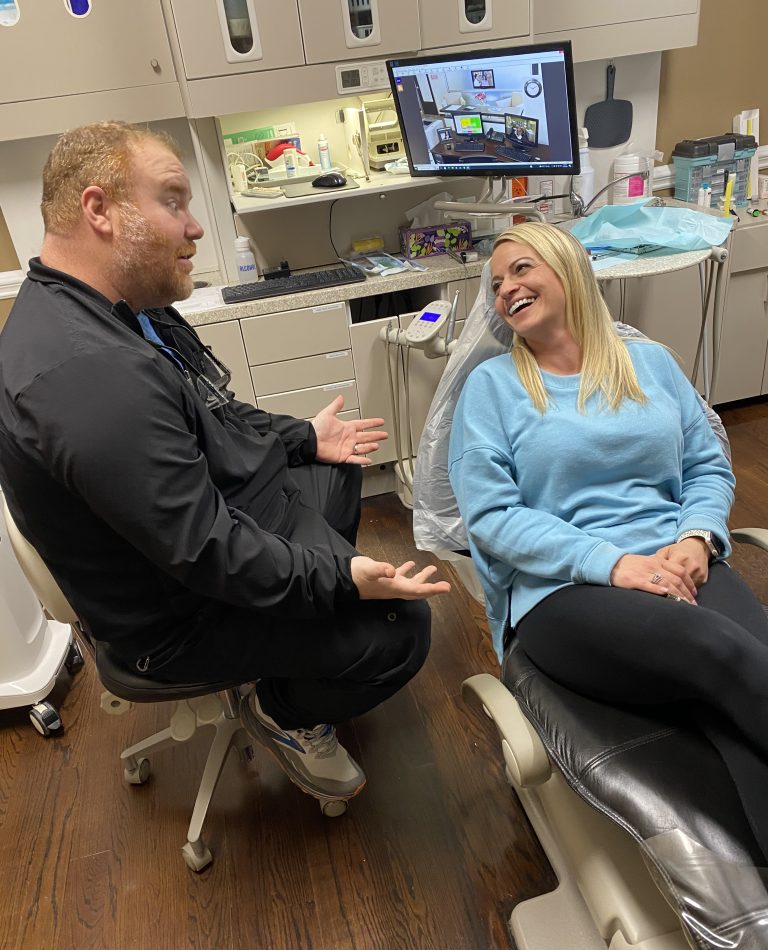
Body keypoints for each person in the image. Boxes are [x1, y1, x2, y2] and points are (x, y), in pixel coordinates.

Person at [0, 121, 450, 807]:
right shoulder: (87, 374)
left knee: (333, 466)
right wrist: (340, 578)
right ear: (99, 211)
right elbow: (208, 553)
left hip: (187, 548)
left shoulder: (105, 313)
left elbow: (212, 415)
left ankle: (305, 643)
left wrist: (302, 439)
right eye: (174, 201)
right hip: (175, 618)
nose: (196, 227)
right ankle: (284, 711)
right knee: (399, 630)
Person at [448, 221, 768, 858]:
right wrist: (611, 562)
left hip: (680, 562)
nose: (505, 287)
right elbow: (492, 518)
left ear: (568, 269)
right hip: (562, 591)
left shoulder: (649, 362)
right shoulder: (490, 389)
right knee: (723, 655)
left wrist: (698, 538)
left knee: (736, 691)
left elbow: (706, 466)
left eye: (521, 269)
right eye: (496, 282)